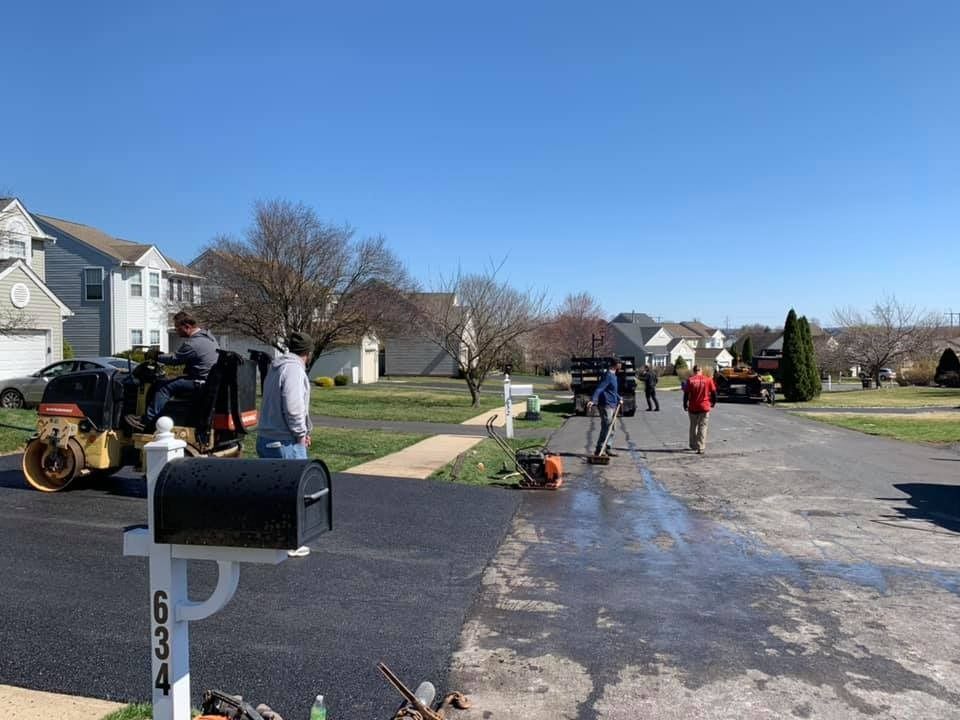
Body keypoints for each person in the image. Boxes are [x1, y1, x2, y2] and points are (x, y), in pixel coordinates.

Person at [125, 310, 219, 431]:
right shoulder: (209, 337)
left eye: (177, 328)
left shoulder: (193, 344)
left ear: (187, 327)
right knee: (171, 380)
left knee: (164, 386)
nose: (176, 331)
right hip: (208, 380)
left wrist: (155, 356)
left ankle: (146, 421)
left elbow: (175, 359)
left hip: (200, 382)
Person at [257, 331, 314, 460]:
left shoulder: (276, 368)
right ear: (308, 352)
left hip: (265, 439)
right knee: (297, 480)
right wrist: (301, 436)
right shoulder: (294, 369)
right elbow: (293, 409)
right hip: (284, 444)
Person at [586, 356, 621, 457]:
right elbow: (600, 388)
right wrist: (593, 400)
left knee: (613, 428)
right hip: (606, 405)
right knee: (606, 427)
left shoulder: (614, 375)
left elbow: (612, 390)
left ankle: (608, 448)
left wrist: (619, 398)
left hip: (613, 404)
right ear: (616, 365)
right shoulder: (608, 375)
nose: (621, 365)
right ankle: (599, 450)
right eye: (619, 363)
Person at [682, 364, 717, 454]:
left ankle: (693, 445)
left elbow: (686, 394)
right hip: (704, 406)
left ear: (694, 371)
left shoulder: (690, 380)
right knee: (703, 426)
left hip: (693, 406)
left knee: (693, 426)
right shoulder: (708, 380)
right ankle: (700, 447)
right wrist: (713, 402)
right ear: (701, 370)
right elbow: (713, 393)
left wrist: (685, 404)